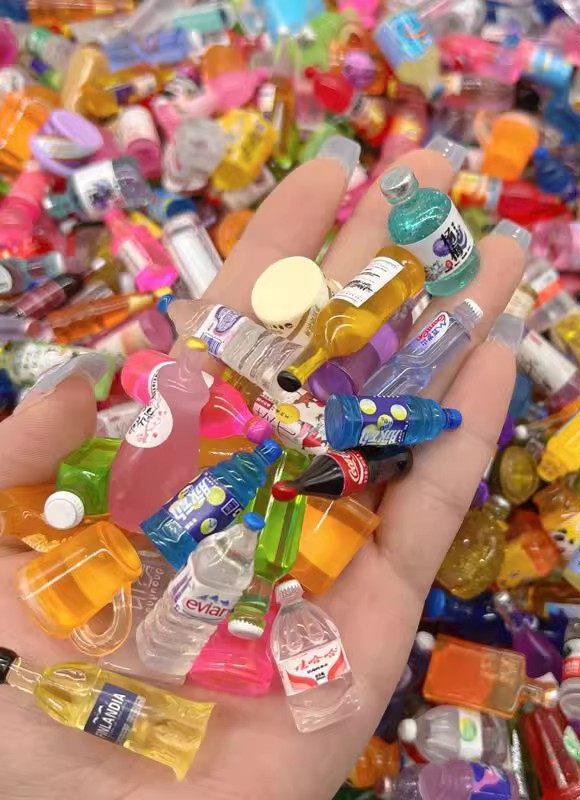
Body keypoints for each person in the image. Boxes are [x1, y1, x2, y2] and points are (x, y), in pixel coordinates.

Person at [0, 140, 527, 799]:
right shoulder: (237, 504)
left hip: (294, 464)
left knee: (413, 388)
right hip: (220, 544)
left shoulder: (298, 430)